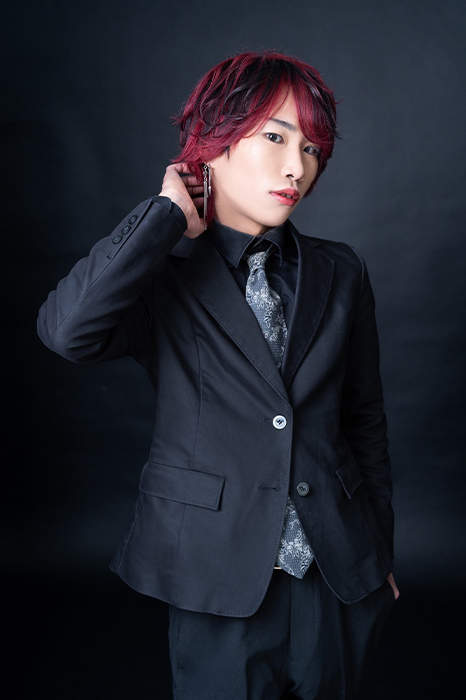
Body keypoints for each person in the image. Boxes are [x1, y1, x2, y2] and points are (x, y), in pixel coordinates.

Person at [37, 50, 399, 699]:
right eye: (275, 137)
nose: (297, 167)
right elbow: (67, 333)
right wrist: (165, 216)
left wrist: (378, 553)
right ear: (216, 139)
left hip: (337, 573)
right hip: (217, 572)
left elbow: (363, 418)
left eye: (312, 148)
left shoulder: (342, 270)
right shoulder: (159, 273)